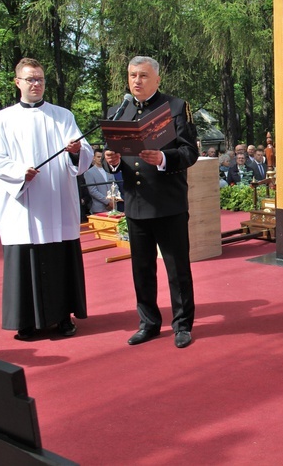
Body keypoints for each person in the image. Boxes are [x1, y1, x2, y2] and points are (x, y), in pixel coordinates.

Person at [0, 57, 93, 340]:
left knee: (60, 261)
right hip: (24, 206)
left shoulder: (63, 115)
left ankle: (64, 319)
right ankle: (27, 323)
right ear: (17, 82)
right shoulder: (2, 119)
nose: (36, 84)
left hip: (57, 203)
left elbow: (84, 153)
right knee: (26, 261)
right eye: (30, 79)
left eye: (40, 79)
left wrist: (74, 151)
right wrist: (20, 172)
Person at [104, 55, 199, 349]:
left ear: (157, 79)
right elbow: (117, 160)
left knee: (177, 268)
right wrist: (112, 162)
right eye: (132, 75)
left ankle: (182, 325)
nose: (137, 81)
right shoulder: (118, 110)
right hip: (135, 203)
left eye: (143, 76)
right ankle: (148, 322)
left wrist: (163, 158)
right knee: (141, 269)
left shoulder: (174, 107)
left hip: (168, 202)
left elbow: (189, 153)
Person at [83, 149, 114, 214]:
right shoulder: (89, 172)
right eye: (98, 157)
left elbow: (114, 185)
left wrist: (113, 200)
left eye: (101, 157)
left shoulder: (109, 169)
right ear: (94, 158)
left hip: (112, 206)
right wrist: (107, 202)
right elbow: (93, 191)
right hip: (98, 208)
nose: (100, 159)